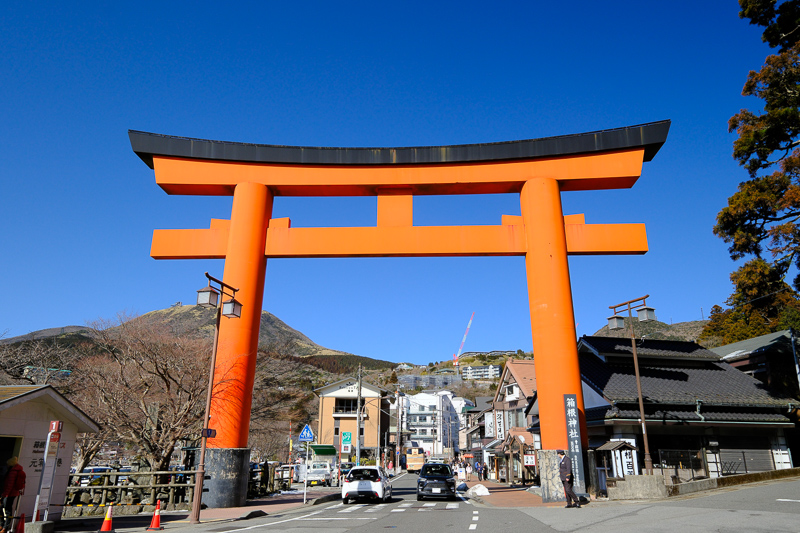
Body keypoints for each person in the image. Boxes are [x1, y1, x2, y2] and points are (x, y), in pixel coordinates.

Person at [0, 457, 25, 533]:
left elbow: (9, 485)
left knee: (7, 509)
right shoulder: (16, 470)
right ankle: (2, 525)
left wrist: (4, 495)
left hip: (9, 494)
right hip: (12, 493)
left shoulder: (12, 472)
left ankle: (5, 527)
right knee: (4, 508)